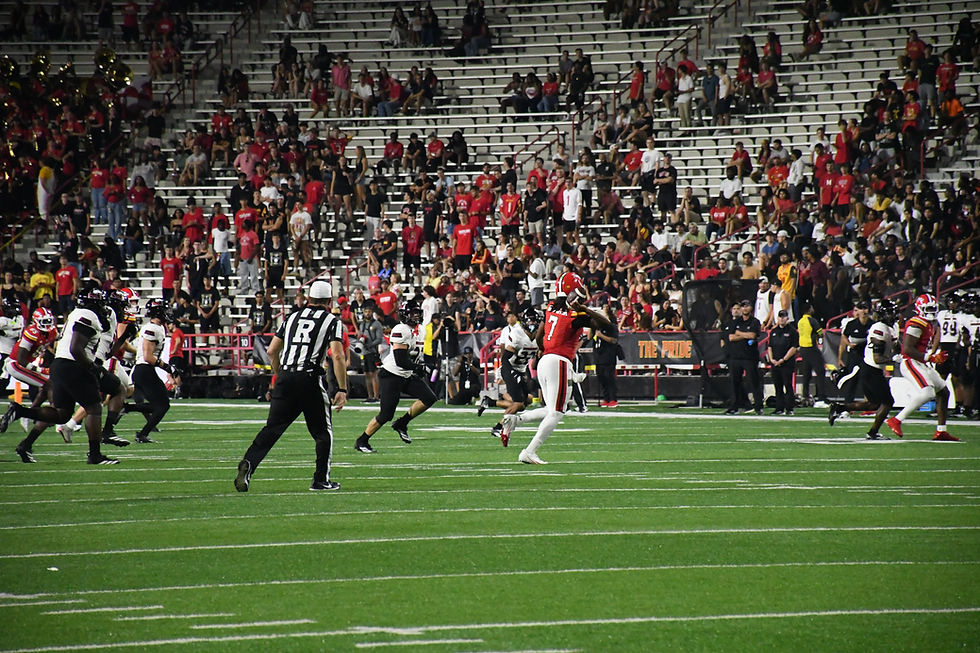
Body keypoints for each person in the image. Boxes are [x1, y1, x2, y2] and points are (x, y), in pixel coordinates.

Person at [234, 280, 347, 492]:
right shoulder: (331, 320)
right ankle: (320, 480)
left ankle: (249, 462)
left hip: (286, 375)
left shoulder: (292, 317)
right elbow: (338, 356)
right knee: (323, 433)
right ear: (328, 300)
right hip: (309, 378)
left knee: (272, 428)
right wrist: (342, 389)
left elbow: (271, 351)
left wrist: (281, 376)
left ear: (309, 298)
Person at [501, 272, 612, 464]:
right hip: (559, 361)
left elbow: (539, 335)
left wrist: (543, 350)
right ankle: (529, 451)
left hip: (545, 359)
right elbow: (606, 324)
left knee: (551, 408)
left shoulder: (551, 307)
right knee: (558, 412)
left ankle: (515, 420)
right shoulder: (575, 315)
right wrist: (585, 308)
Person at [0, 290, 118, 465]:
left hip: (60, 365)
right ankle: (95, 455)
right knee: (94, 408)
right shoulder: (88, 316)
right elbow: (75, 348)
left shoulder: (76, 313)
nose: (102, 307)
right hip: (74, 366)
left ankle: (21, 412)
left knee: (62, 414)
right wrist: (92, 367)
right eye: (100, 303)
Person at [355, 299, 438, 453]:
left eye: (417, 313)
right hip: (392, 374)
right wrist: (418, 368)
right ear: (405, 314)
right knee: (386, 415)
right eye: (413, 313)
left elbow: (416, 355)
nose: (416, 316)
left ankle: (402, 423)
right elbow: (400, 361)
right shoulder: (400, 329)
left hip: (406, 374)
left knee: (429, 398)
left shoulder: (421, 330)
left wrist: (425, 364)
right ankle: (362, 440)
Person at [885, 294, 959, 441]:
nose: (931, 312)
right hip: (911, 362)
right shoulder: (916, 323)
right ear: (920, 308)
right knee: (927, 393)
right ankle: (896, 420)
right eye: (928, 309)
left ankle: (941, 431)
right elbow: (907, 349)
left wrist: (932, 355)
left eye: (933, 309)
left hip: (920, 362)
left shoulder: (928, 323)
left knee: (943, 391)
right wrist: (930, 357)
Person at [829, 298, 900, 440]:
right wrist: (894, 359)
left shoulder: (889, 328)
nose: (894, 315)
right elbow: (877, 358)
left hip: (872, 370)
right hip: (871, 369)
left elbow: (895, 346)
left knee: (873, 404)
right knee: (887, 402)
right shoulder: (879, 328)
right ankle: (872, 432)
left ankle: (840, 407)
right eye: (890, 313)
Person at [478, 307, 540, 445]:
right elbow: (505, 358)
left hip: (521, 369)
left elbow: (536, 360)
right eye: (529, 321)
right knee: (517, 403)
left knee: (525, 403)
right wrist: (512, 373)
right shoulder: (517, 334)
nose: (531, 324)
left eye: (534, 321)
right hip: (509, 368)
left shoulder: (539, 336)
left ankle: (490, 402)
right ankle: (498, 428)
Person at [130, 299, 178, 444]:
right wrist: (167, 367)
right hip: (145, 370)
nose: (167, 313)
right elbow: (148, 357)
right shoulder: (153, 328)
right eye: (165, 310)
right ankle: (140, 432)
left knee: (158, 405)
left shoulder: (155, 327)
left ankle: (126, 411)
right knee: (162, 405)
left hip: (143, 370)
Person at [726, 299, 765, 415]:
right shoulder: (735, 322)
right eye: (743, 306)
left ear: (751, 308)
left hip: (749, 357)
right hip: (736, 356)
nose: (745, 308)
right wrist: (745, 335)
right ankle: (734, 407)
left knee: (754, 382)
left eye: (747, 306)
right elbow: (731, 337)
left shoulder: (755, 322)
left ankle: (758, 407)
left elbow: (753, 335)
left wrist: (739, 333)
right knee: (735, 383)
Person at [835, 300, 872, 410]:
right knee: (852, 380)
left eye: (865, 308)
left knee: (869, 380)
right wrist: (849, 345)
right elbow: (844, 337)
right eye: (861, 309)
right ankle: (847, 406)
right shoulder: (851, 324)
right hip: (855, 355)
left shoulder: (873, 324)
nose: (863, 311)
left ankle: (871, 405)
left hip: (867, 355)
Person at [797, 302, 829, 408]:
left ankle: (805, 395)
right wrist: (818, 336)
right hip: (811, 348)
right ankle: (821, 396)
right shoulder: (812, 320)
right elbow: (820, 333)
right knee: (820, 371)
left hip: (803, 348)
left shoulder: (800, 321)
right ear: (810, 309)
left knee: (806, 373)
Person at [766, 309, 798, 415]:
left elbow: (794, 347)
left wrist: (783, 359)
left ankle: (789, 408)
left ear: (787, 318)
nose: (782, 319)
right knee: (778, 386)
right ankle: (779, 408)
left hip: (786, 363)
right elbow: (770, 346)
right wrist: (772, 359)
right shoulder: (774, 331)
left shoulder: (792, 331)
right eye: (780, 317)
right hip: (775, 363)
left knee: (787, 385)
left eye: (784, 317)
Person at [593, 303, 620, 407]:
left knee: (609, 377)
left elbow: (614, 340)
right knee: (601, 378)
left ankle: (613, 399)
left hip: (608, 355)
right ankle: (606, 398)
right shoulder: (597, 327)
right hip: (598, 355)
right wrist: (591, 327)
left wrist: (601, 336)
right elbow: (590, 337)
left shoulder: (612, 327)